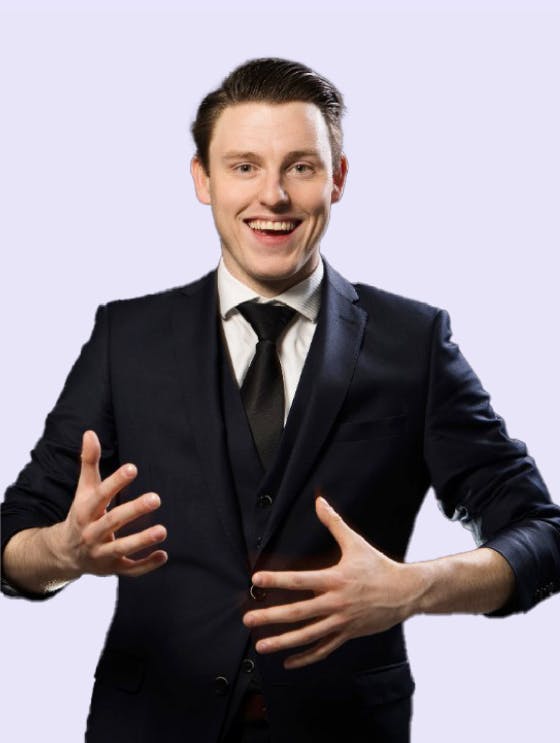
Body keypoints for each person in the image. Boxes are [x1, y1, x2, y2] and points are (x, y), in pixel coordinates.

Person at [1, 57, 559, 743]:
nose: (273, 195)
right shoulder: (126, 338)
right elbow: (12, 538)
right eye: (244, 166)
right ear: (203, 179)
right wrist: (62, 551)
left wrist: (412, 588)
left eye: (300, 166)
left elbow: (541, 533)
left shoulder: (414, 342)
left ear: (338, 178)